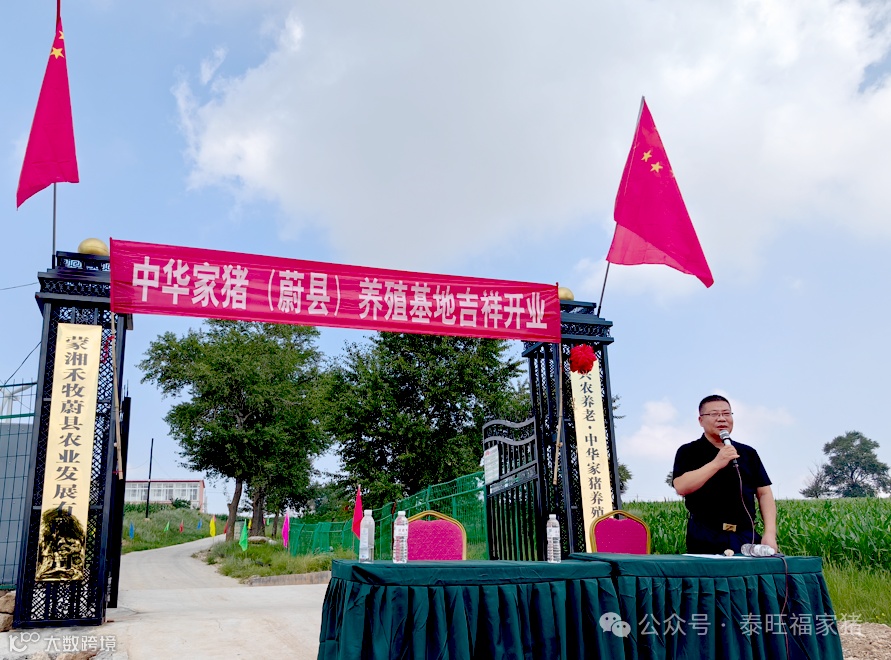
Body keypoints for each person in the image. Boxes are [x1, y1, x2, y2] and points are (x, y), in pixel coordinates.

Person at [672, 395, 777, 554]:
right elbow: (681, 487)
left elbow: (764, 493)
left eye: (726, 414)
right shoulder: (688, 451)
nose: (722, 418)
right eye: (714, 414)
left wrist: (770, 532)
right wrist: (716, 463)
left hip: (745, 536)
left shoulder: (748, 453)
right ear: (701, 420)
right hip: (705, 535)